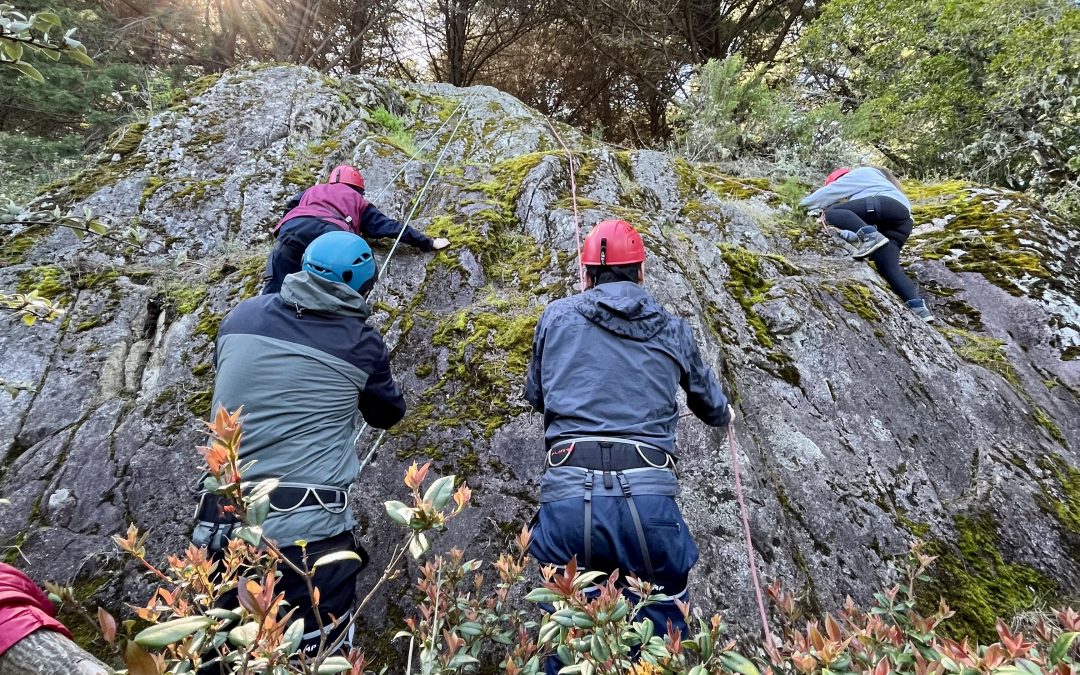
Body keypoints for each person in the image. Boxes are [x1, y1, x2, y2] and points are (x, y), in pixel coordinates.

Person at [524, 219, 734, 665]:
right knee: (660, 634)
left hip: (568, 496)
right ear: (641, 273)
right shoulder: (673, 328)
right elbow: (710, 407)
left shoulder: (556, 316)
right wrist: (726, 413)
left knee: (564, 632)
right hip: (648, 500)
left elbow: (536, 397)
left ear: (586, 276)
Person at [192, 231, 407, 658]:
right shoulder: (359, 341)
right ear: (363, 285)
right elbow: (387, 413)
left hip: (218, 527)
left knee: (216, 658)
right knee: (306, 660)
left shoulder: (241, 317)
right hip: (305, 537)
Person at [263, 165, 451, 294]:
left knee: (275, 290)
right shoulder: (358, 200)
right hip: (329, 232)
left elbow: (291, 207)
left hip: (291, 229)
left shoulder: (312, 190)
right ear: (359, 189)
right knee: (345, 283)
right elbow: (390, 227)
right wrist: (429, 242)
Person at [800, 166, 934, 322]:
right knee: (887, 266)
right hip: (902, 222)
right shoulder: (880, 183)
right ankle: (918, 307)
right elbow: (854, 232)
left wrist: (799, 208)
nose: (844, 199)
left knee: (830, 212)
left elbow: (829, 193)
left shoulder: (860, 173)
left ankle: (871, 237)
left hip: (883, 205)